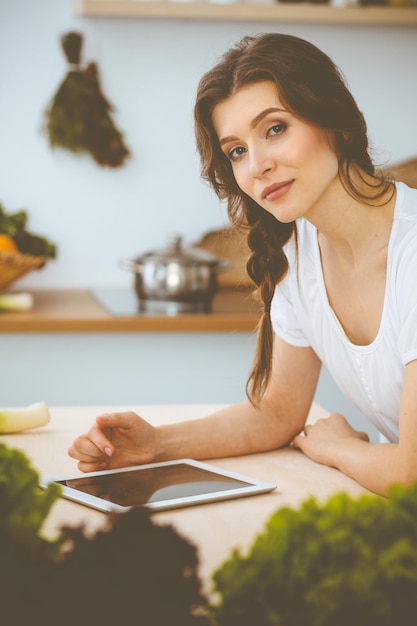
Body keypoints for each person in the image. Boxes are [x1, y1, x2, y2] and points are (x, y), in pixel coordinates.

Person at [68, 33, 417, 496]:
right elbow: (276, 412)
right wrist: (155, 444)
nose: (257, 166)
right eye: (236, 150)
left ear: (337, 122)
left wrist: (336, 447)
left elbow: (410, 474)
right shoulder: (300, 251)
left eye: (275, 129)